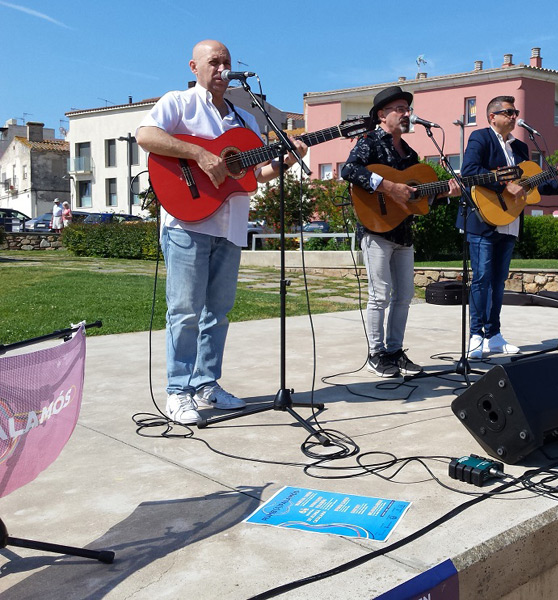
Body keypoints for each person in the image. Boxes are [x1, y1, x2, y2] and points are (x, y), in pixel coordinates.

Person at [136, 40, 307, 424]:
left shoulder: (245, 121)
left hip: (230, 225)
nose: (221, 67)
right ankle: (178, 391)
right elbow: (145, 136)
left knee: (219, 312)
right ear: (194, 67)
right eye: (214, 61)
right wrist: (199, 154)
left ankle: (207, 384)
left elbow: (252, 177)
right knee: (185, 312)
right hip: (187, 222)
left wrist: (286, 161)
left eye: (226, 61)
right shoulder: (178, 103)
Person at [342, 86, 459, 378]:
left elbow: (417, 197)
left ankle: (394, 351)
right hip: (376, 228)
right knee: (379, 294)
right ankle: (375, 353)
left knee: (404, 295)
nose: (407, 114)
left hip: (403, 231)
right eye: (400, 109)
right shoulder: (370, 141)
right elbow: (349, 170)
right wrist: (389, 186)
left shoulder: (411, 153)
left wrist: (445, 193)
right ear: (382, 115)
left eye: (408, 109)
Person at [458, 95, 558, 359]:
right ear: (492, 117)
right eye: (508, 112)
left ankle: (494, 335)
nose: (513, 116)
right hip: (483, 218)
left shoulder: (521, 148)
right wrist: (503, 185)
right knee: (482, 278)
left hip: (510, 221)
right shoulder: (481, 138)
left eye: (515, 111)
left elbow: (536, 185)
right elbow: (470, 171)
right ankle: (476, 336)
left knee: (498, 282)